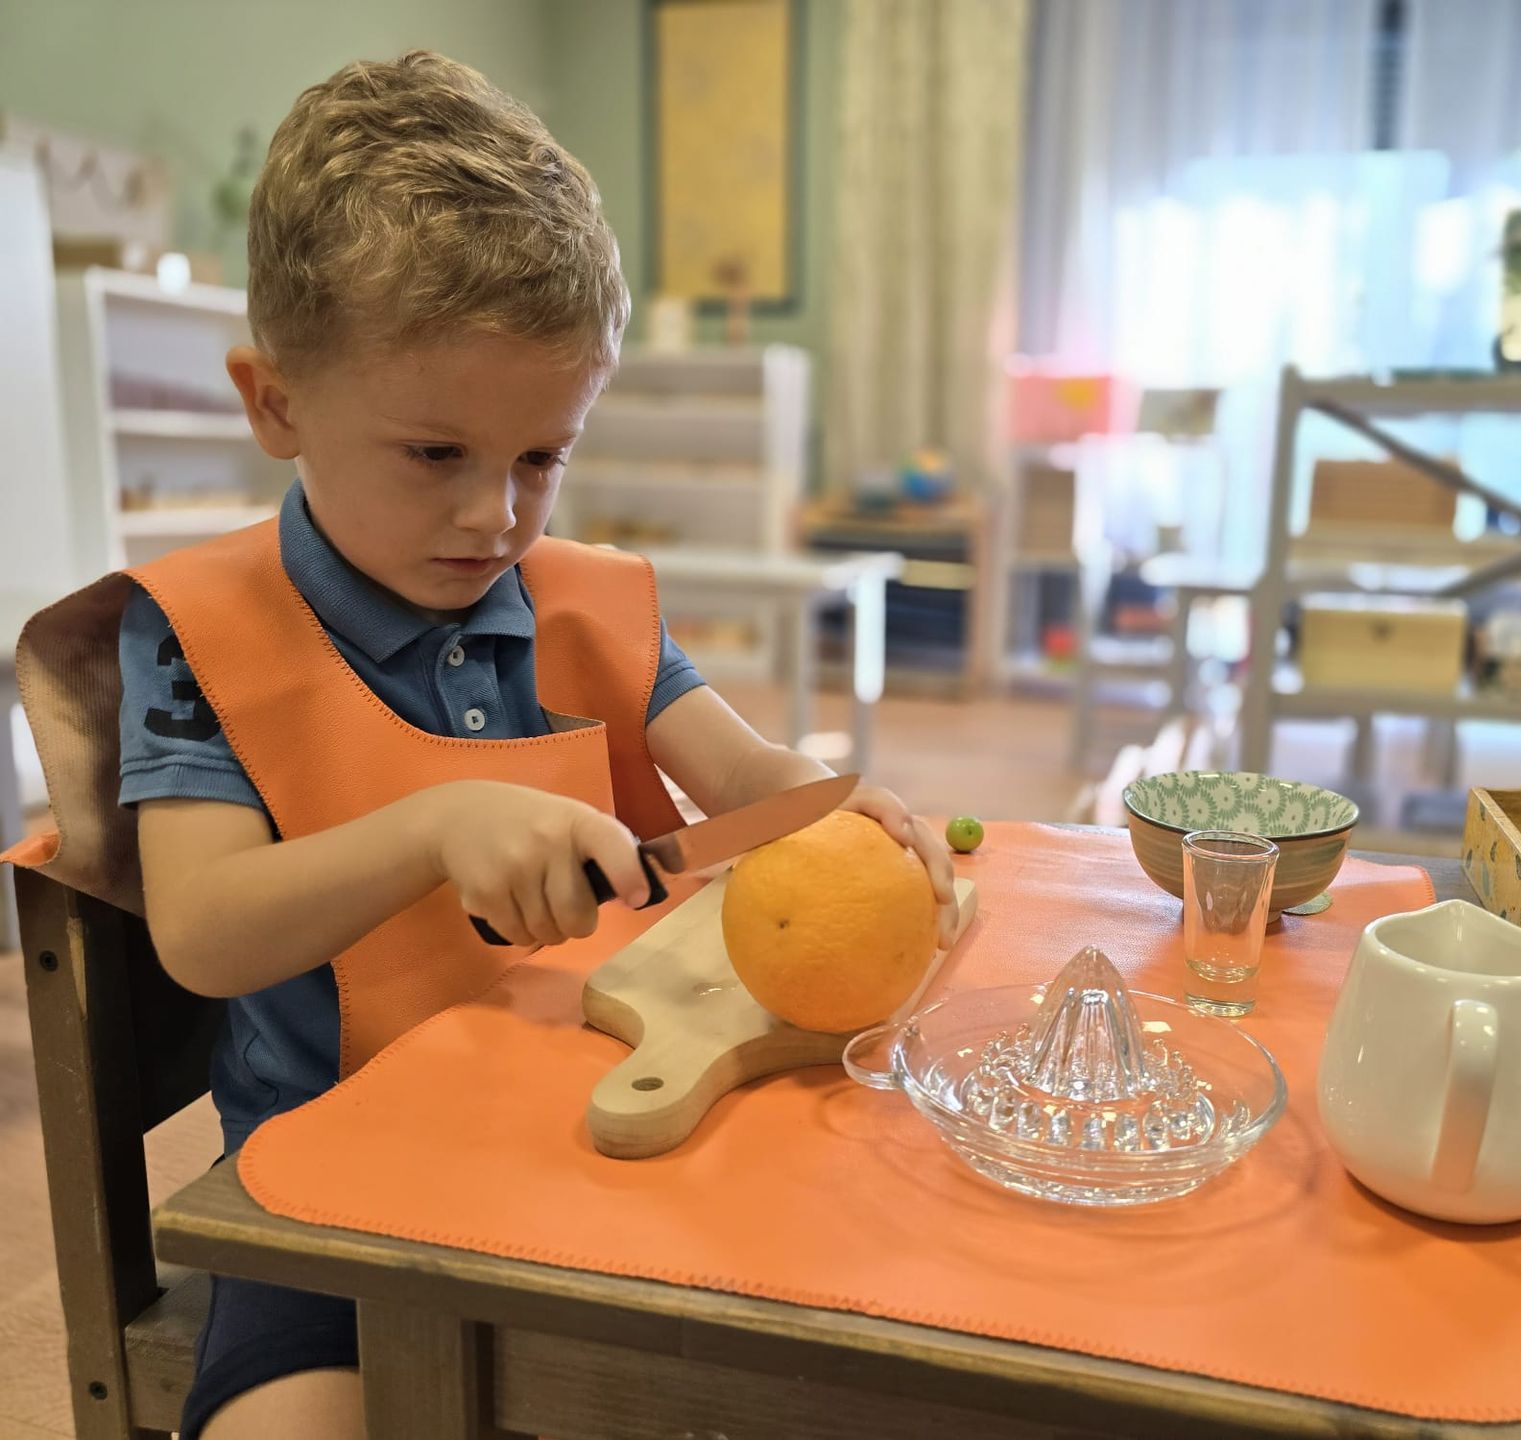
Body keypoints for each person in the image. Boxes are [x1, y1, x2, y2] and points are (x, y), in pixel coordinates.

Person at [109, 50, 954, 1439]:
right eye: (437, 455)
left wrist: (842, 806)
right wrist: (436, 828)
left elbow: (747, 784)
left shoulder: (591, 601)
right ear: (276, 407)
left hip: (600, 1131)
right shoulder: (198, 632)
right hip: (336, 1196)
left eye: (543, 458)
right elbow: (201, 931)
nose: (498, 517)